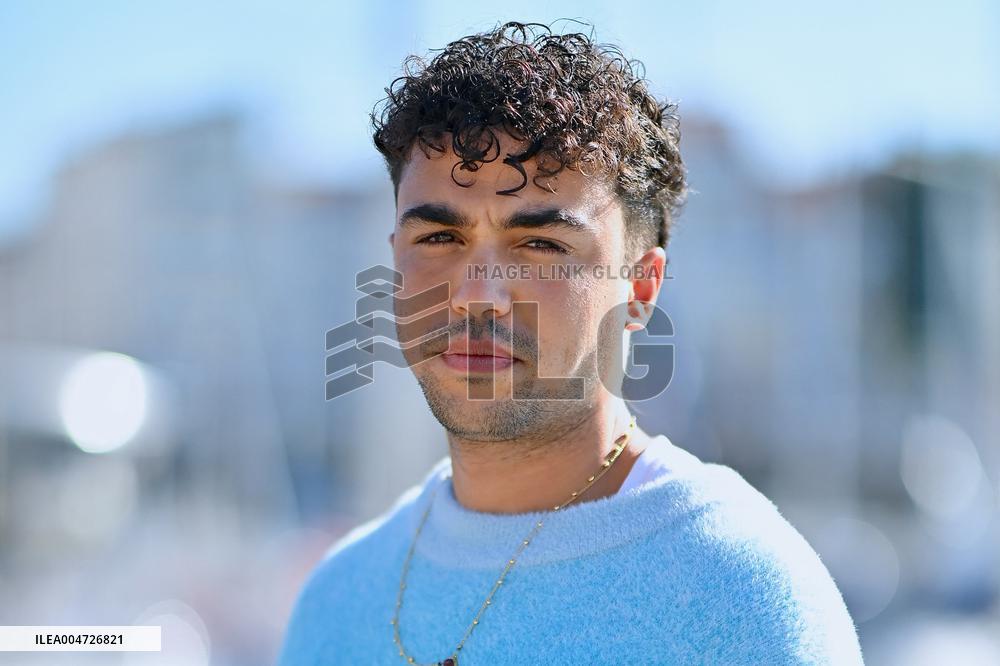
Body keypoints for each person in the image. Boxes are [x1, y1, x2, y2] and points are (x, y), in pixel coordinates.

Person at [278, 20, 865, 665]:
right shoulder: (337, 601)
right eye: (439, 238)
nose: (477, 295)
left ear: (640, 288)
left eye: (540, 244)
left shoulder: (741, 600)